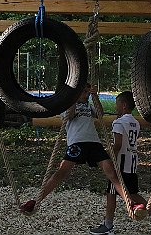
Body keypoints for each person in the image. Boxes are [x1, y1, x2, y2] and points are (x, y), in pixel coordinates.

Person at [20, 84, 137, 214]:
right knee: (61, 172)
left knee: (112, 173)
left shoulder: (89, 106)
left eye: (87, 92)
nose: (86, 95)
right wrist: (73, 98)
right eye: (84, 92)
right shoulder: (67, 106)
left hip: (94, 143)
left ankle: (130, 203)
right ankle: (36, 201)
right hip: (77, 142)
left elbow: (100, 114)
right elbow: (69, 116)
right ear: (76, 94)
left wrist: (94, 96)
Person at [89, 91, 151, 235]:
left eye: (117, 103)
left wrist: (110, 159)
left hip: (121, 162)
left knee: (117, 193)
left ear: (124, 105)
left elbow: (118, 145)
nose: (115, 106)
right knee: (127, 193)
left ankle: (108, 225)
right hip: (131, 161)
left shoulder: (119, 122)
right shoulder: (135, 122)